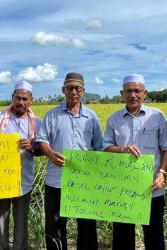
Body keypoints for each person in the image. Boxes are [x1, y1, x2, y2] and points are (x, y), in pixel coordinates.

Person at [103, 74, 167, 250]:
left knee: (154, 236)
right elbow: (106, 148)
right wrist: (123, 149)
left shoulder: (157, 116)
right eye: (128, 91)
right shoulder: (114, 118)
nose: (133, 95)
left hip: (151, 188)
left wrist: (162, 173)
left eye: (137, 91)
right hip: (122, 189)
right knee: (122, 237)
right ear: (122, 93)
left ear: (145, 93)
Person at [36, 72, 103, 250]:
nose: (73, 91)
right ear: (63, 90)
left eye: (77, 88)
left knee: (87, 225)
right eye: (70, 88)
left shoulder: (92, 116)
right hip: (56, 179)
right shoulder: (51, 115)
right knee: (55, 224)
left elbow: (98, 147)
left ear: (83, 91)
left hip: (84, 180)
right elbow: (42, 141)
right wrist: (50, 153)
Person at [0, 81, 42, 250]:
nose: (21, 102)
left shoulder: (37, 122)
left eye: (25, 98)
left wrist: (31, 147)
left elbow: (42, 149)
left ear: (31, 100)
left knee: (21, 220)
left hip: (24, 180)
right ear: (12, 98)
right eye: (18, 98)